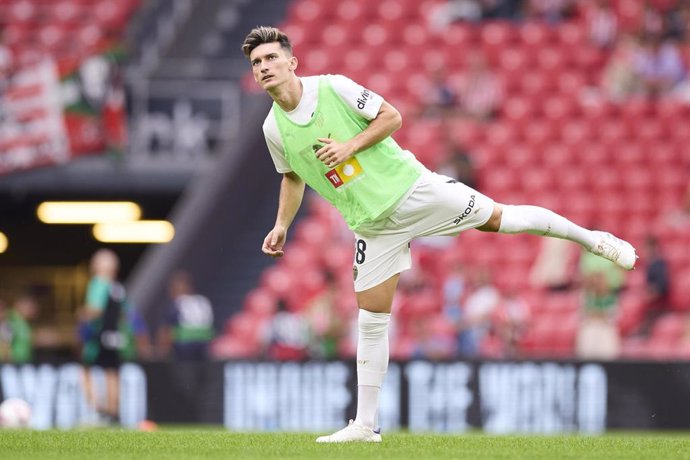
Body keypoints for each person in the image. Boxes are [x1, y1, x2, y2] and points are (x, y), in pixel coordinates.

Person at [241, 26, 637, 443]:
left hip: (413, 191)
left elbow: (391, 116)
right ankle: (365, 425)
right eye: (257, 63)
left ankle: (591, 238)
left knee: (502, 218)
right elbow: (290, 177)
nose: (264, 67)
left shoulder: (333, 88)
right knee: (371, 319)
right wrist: (282, 225)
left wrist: (349, 146)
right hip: (371, 225)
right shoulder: (273, 129)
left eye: (271, 58)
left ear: (292, 62)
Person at [79, 248, 129, 423]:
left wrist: (83, 313)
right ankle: (113, 412)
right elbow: (124, 314)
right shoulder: (118, 287)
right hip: (115, 336)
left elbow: (96, 310)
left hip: (99, 336)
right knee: (112, 373)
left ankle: (97, 410)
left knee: (85, 371)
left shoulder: (98, 283)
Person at [158, 270, 214, 361]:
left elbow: (165, 332)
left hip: (182, 355)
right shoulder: (203, 301)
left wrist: (163, 353)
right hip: (204, 353)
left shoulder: (176, 304)